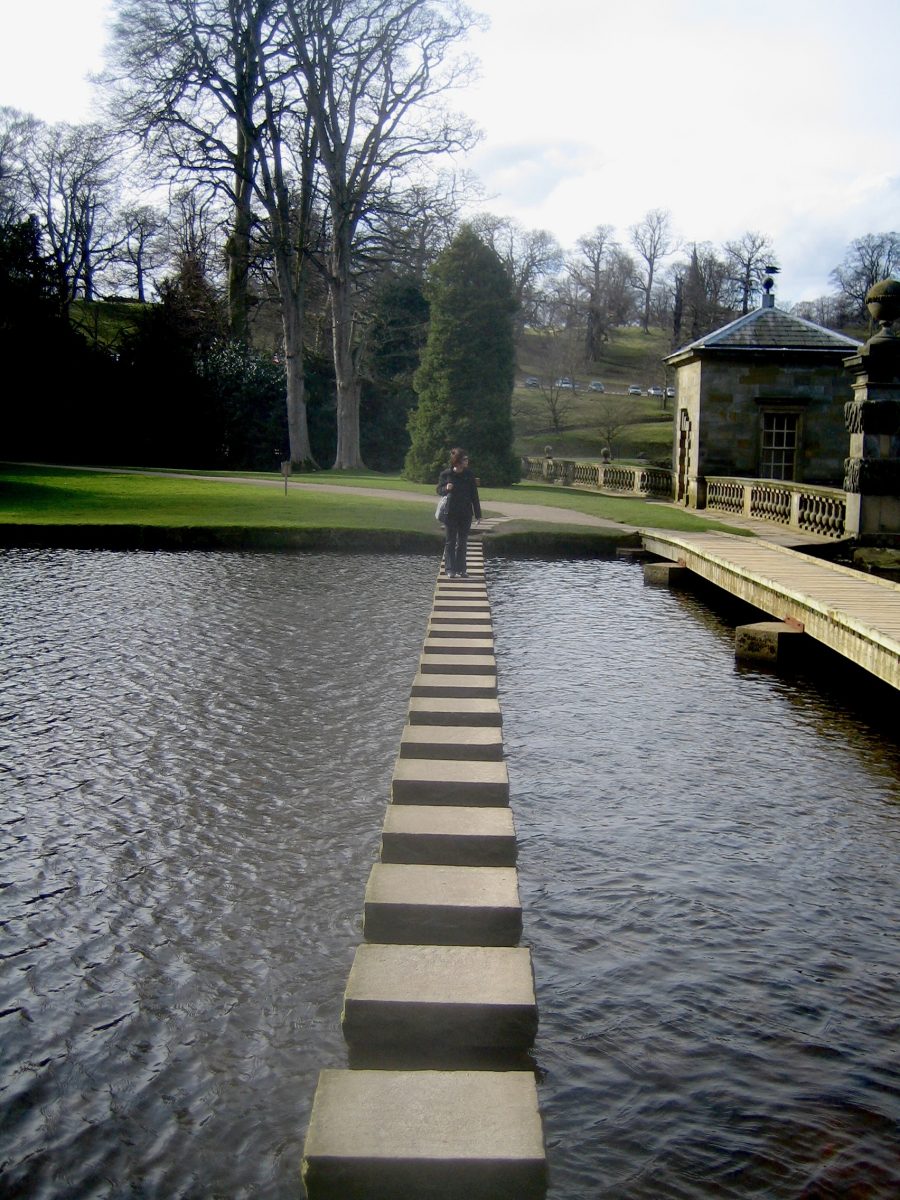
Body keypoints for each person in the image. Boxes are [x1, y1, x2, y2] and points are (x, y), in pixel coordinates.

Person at [436, 448, 481, 578]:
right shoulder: (446, 474)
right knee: (450, 541)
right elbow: (439, 490)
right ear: (457, 461)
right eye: (464, 459)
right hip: (450, 512)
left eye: (467, 459)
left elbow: (474, 495)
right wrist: (446, 488)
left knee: (462, 541)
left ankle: (462, 569)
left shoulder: (469, 475)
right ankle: (450, 569)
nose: (467, 461)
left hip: (466, 513)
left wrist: (478, 514)